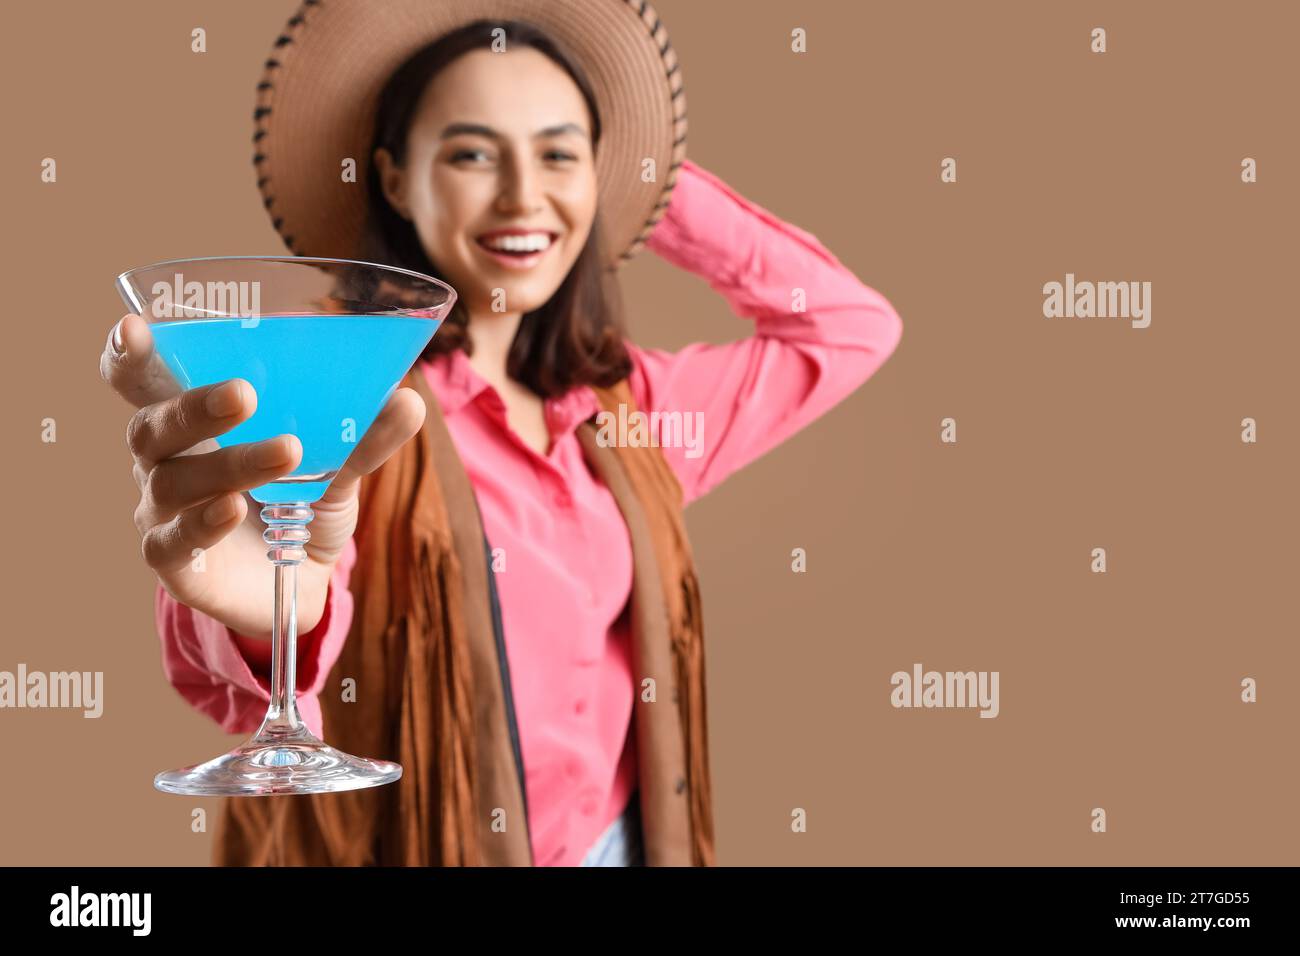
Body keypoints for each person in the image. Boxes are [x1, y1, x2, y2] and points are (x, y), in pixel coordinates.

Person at [99, 0, 903, 867]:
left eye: (558, 152)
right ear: (395, 180)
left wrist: (642, 180)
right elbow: (245, 620)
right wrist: (270, 622)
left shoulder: (633, 411)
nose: (524, 196)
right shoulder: (346, 386)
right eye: (474, 153)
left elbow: (848, 325)